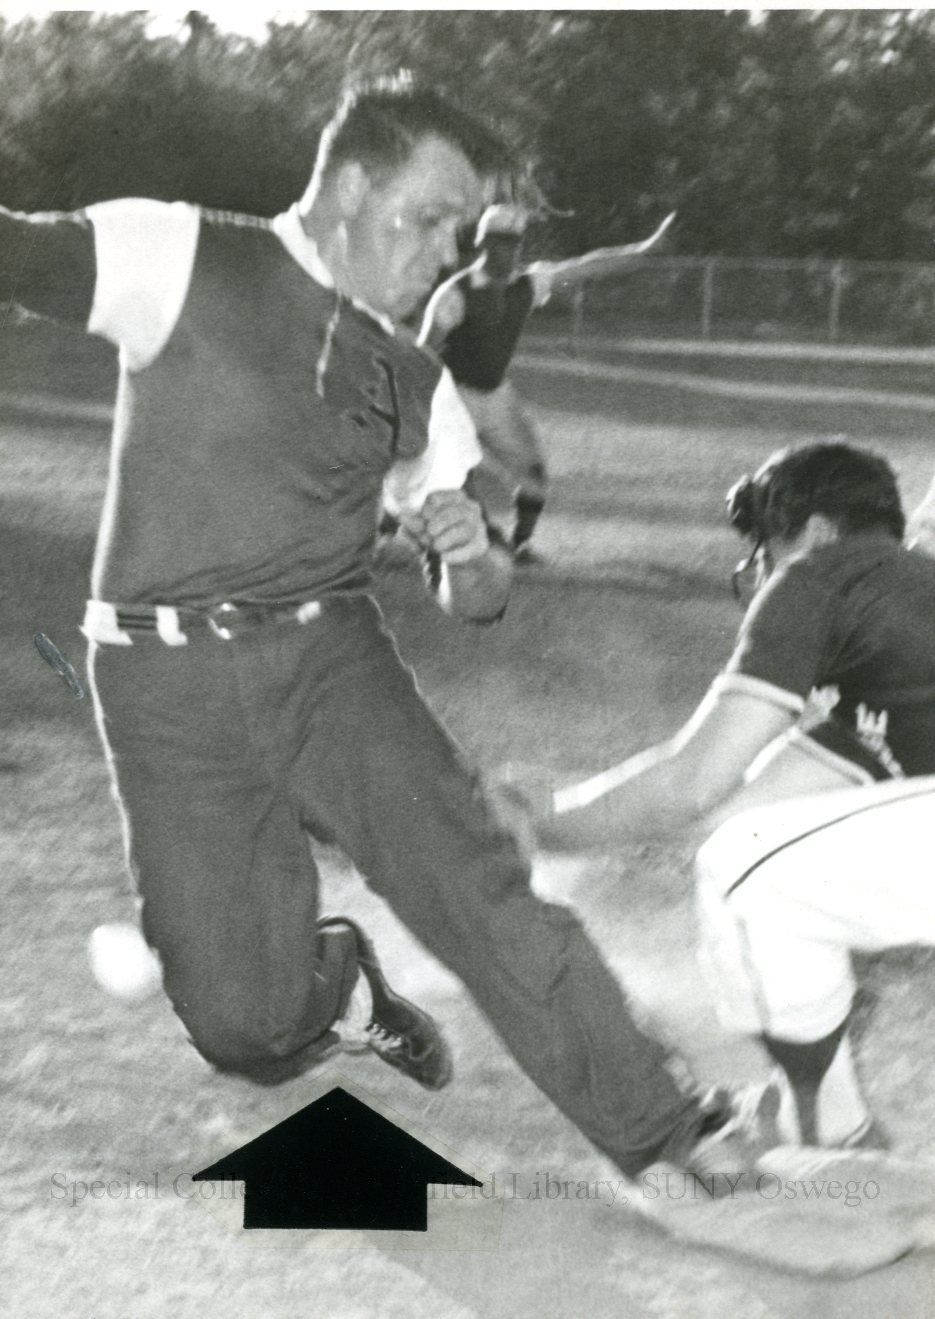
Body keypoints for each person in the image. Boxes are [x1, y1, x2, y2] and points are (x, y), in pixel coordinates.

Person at [0, 76, 765, 1188]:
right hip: (164, 682)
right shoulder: (178, 256)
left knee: (475, 883)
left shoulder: (411, 375)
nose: (444, 250)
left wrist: (469, 554)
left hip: (330, 662)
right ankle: (337, 988)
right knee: (239, 1023)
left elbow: (484, 599)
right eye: (429, 217)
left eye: (462, 230)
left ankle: (672, 1122)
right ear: (350, 187)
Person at [498, 441, 935, 1151]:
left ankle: (833, 1136)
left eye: (768, 544)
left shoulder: (825, 574)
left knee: (746, 873)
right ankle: (815, 1097)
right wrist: (551, 816)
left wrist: (531, 822)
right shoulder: (889, 658)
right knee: (754, 848)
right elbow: (722, 807)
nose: (760, 568)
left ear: (820, 533)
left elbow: (688, 780)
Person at [414, 202, 675, 558]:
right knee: (447, 480)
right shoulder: (455, 295)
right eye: (498, 241)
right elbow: (420, 354)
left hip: (495, 394)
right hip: (452, 397)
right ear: (482, 243)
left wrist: (643, 250)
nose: (506, 250)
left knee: (533, 474)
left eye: (512, 242)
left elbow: (586, 269)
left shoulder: (528, 284)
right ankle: (404, 534)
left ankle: (520, 545)